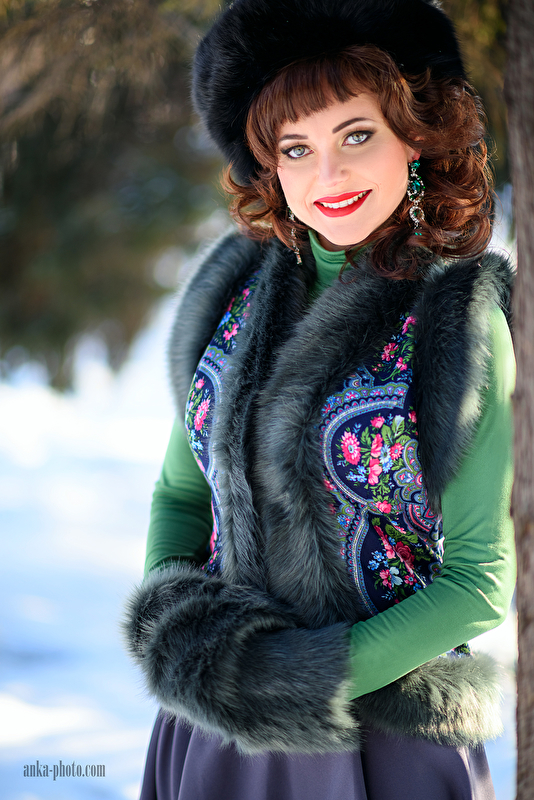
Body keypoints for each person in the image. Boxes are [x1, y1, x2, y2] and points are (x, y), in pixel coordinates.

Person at [124, 1, 516, 798]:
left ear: (415, 136)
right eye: (296, 149)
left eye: (356, 135)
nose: (327, 176)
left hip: (387, 742)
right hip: (213, 733)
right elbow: (180, 495)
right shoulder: (229, 291)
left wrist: (295, 682)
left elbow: (479, 584)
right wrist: (186, 637)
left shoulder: (459, 318)